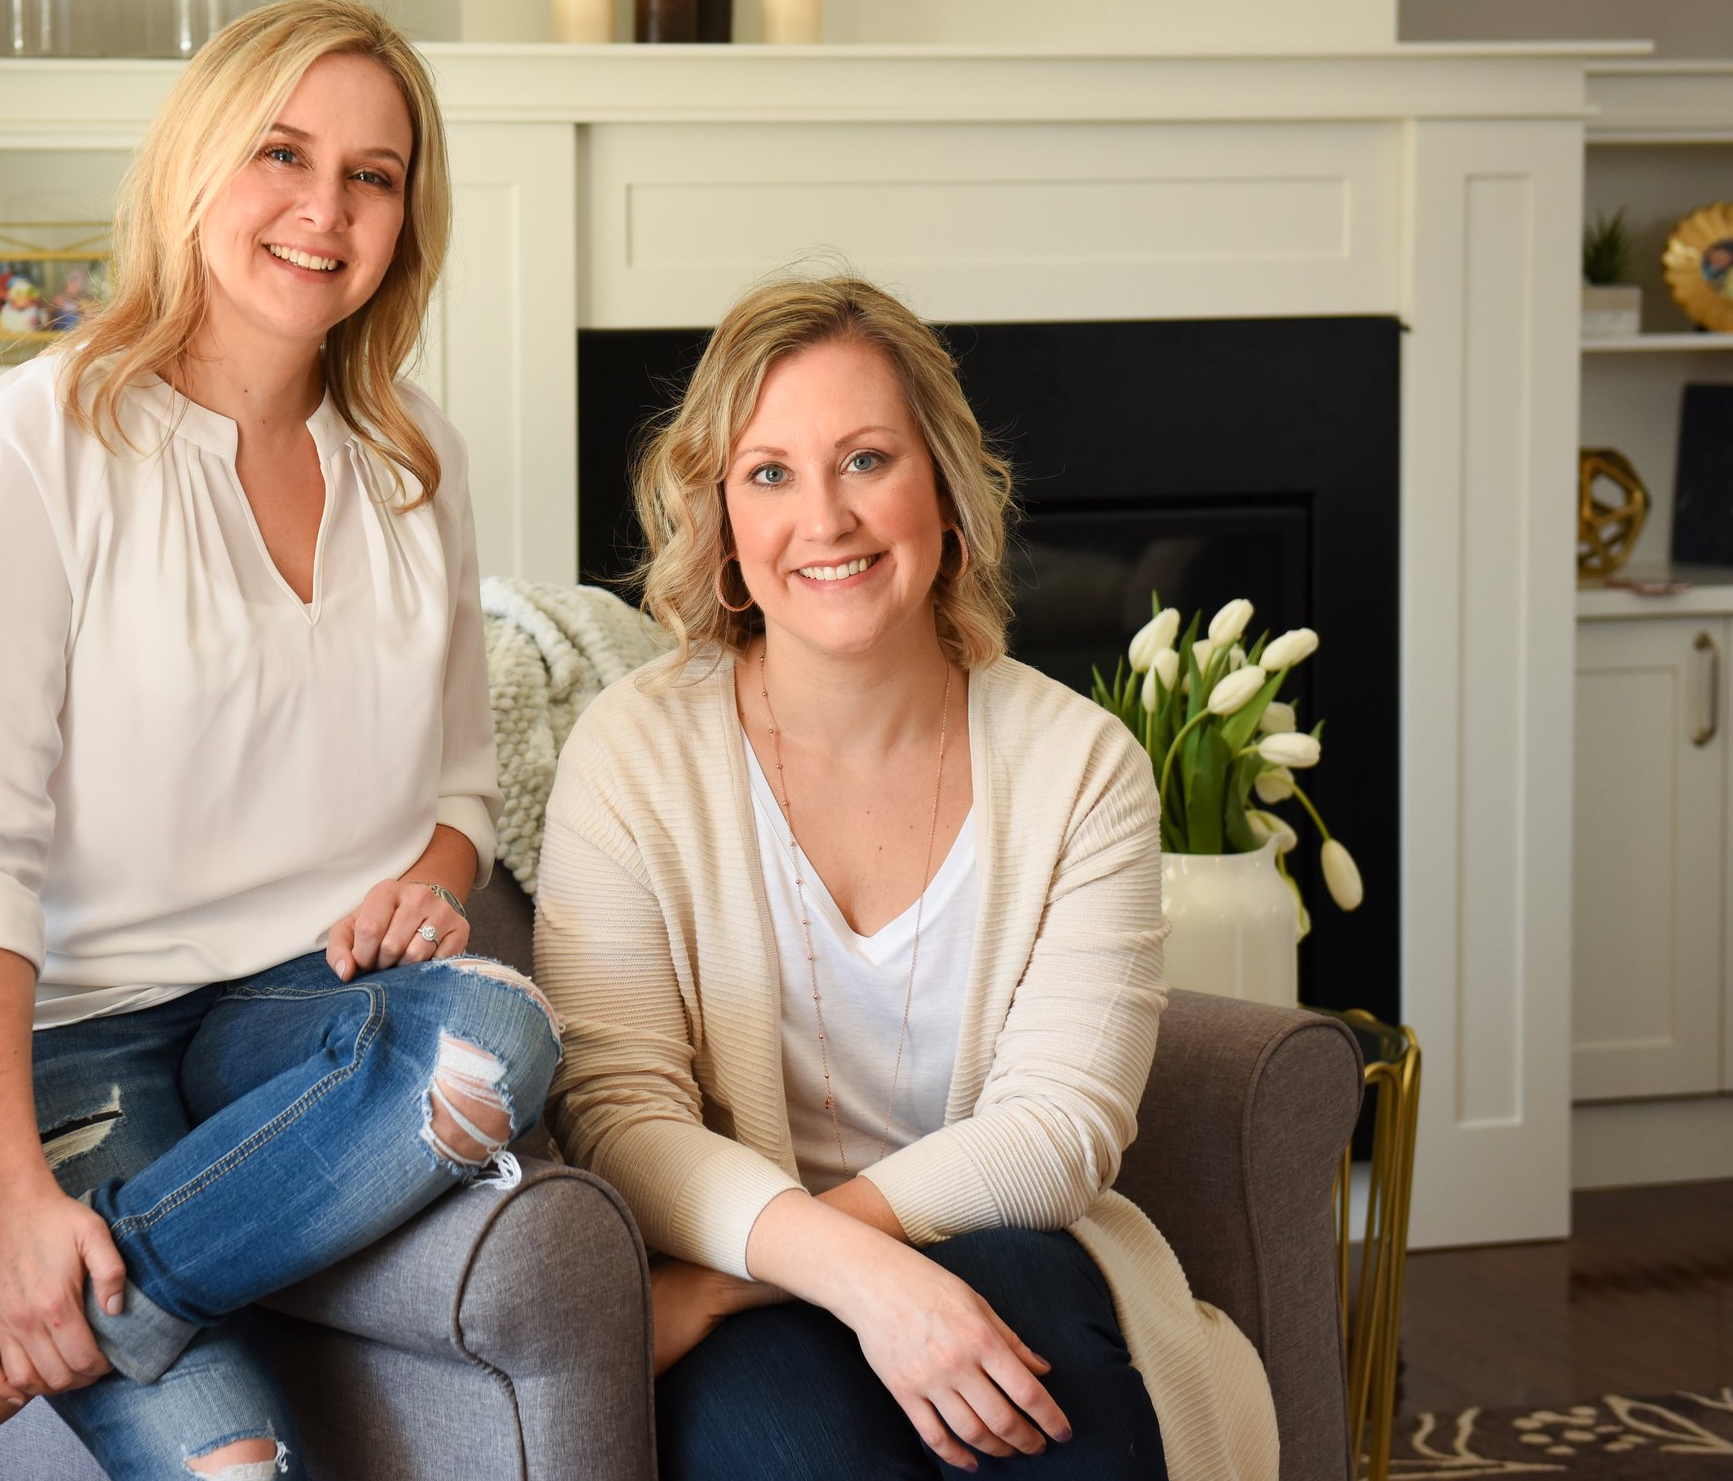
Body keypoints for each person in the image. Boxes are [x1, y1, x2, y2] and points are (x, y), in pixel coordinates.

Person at [0, 0, 561, 1481]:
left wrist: (428, 880)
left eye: (373, 176)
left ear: (404, 220)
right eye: (283, 155)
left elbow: (461, 790)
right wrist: (14, 1196)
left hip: (279, 1015)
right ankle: (35, 1313)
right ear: (194, 170)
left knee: (497, 1040)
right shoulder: (42, 437)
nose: (325, 209)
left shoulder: (412, 459)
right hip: (46, 1041)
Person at [534, 275, 1276, 1479]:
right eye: (769, 472)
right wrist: (847, 1278)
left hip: (985, 1249)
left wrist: (755, 1279)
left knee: (1044, 1399)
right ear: (722, 518)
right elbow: (619, 1112)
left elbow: (1059, 1127)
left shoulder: (1080, 765)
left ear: (945, 488)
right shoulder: (634, 751)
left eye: (865, 459)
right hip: (747, 1256)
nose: (822, 518)